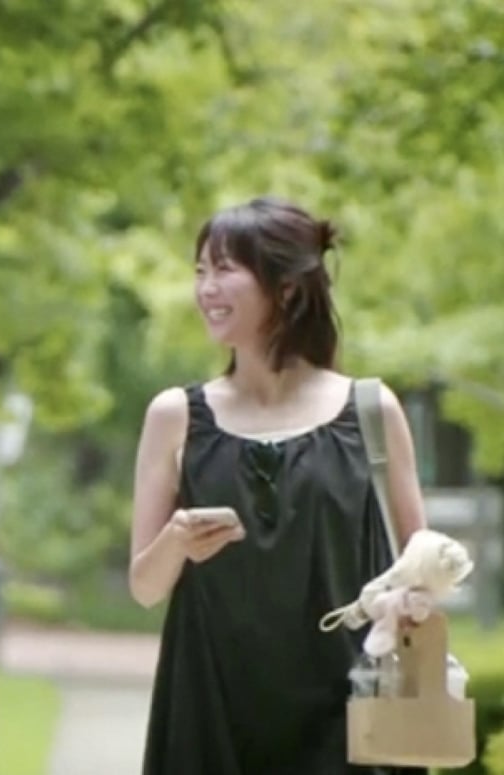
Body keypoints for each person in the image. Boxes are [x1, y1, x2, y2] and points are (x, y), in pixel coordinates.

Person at [129, 197, 429, 774]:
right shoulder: (175, 417)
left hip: (351, 713)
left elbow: (422, 568)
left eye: (224, 270)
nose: (206, 289)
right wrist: (176, 541)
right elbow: (144, 587)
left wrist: (408, 599)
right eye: (200, 271)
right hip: (212, 710)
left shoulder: (371, 411)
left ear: (287, 289)